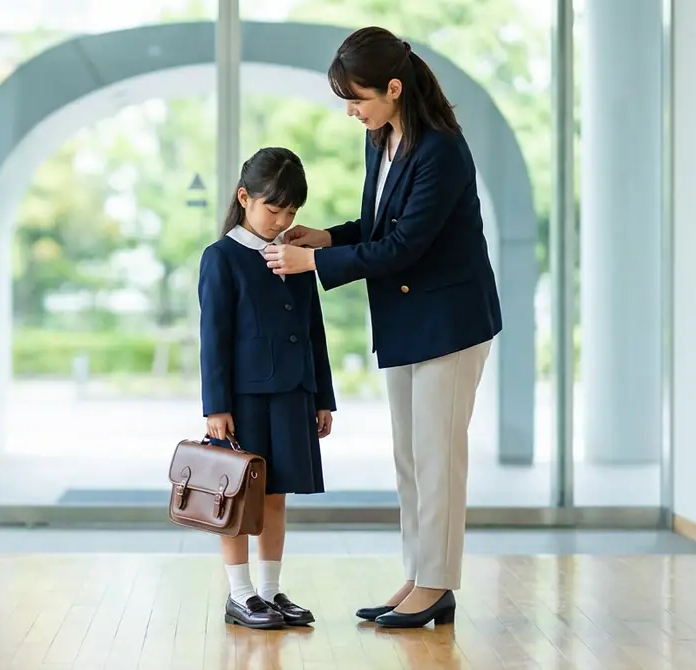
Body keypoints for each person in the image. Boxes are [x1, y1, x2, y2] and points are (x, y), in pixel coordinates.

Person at [262, 26, 503, 629]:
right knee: (410, 459)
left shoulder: (442, 150)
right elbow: (379, 224)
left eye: (357, 98)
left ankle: (438, 584)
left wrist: (313, 262)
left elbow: (405, 245)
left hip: (449, 323)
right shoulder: (381, 138)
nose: (350, 110)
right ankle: (419, 575)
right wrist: (327, 237)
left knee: (438, 458)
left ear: (394, 88)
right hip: (404, 320)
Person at [198, 147, 337, 630]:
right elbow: (213, 338)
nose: (282, 221)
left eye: (291, 212)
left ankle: (270, 591)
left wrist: (322, 397)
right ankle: (240, 594)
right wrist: (216, 407)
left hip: (294, 394)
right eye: (273, 209)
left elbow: (314, 330)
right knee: (239, 497)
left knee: (277, 494)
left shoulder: (296, 258)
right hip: (244, 401)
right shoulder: (221, 258)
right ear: (245, 198)